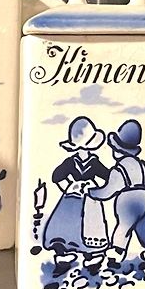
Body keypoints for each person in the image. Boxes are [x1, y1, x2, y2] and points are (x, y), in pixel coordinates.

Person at [42, 116, 111, 275]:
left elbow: (108, 176)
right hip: (71, 199)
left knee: (89, 228)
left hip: (90, 201)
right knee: (66, 228)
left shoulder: (94, 162)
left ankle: (91, 259)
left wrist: (95, 188)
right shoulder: (71, 162)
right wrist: (69, 187)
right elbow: (56, 176)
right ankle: (65, 257)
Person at [92, 119, 145, 268]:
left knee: (124, 226)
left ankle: (116, 254)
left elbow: (108, 191)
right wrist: (144, 189)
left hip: (127, 200)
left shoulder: (119, 169)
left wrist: (92, 192)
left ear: (117, 150)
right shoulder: (143, 166)